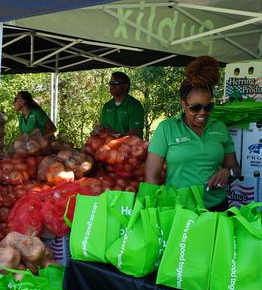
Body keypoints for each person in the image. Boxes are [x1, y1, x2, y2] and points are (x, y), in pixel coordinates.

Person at [145, 56, 240, 211]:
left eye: (208, 107)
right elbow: (151, 177)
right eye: (195, 108)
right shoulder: (166, 129)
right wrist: (153, 210)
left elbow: (235, 168)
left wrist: (226, 172)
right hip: (178, 209)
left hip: (216, 207)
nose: (202, 113)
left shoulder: (220, 128)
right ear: (183, 104)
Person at [95, 72, 144, 137]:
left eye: (116, 83)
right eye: (111, 83)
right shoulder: (107, 106)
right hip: (109, 146)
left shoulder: (135, 106)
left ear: (126, 86)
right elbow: (104, 129)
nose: (113, 86)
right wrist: (97, 131)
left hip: (129, 147)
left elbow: (135, 133)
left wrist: (115, 134)